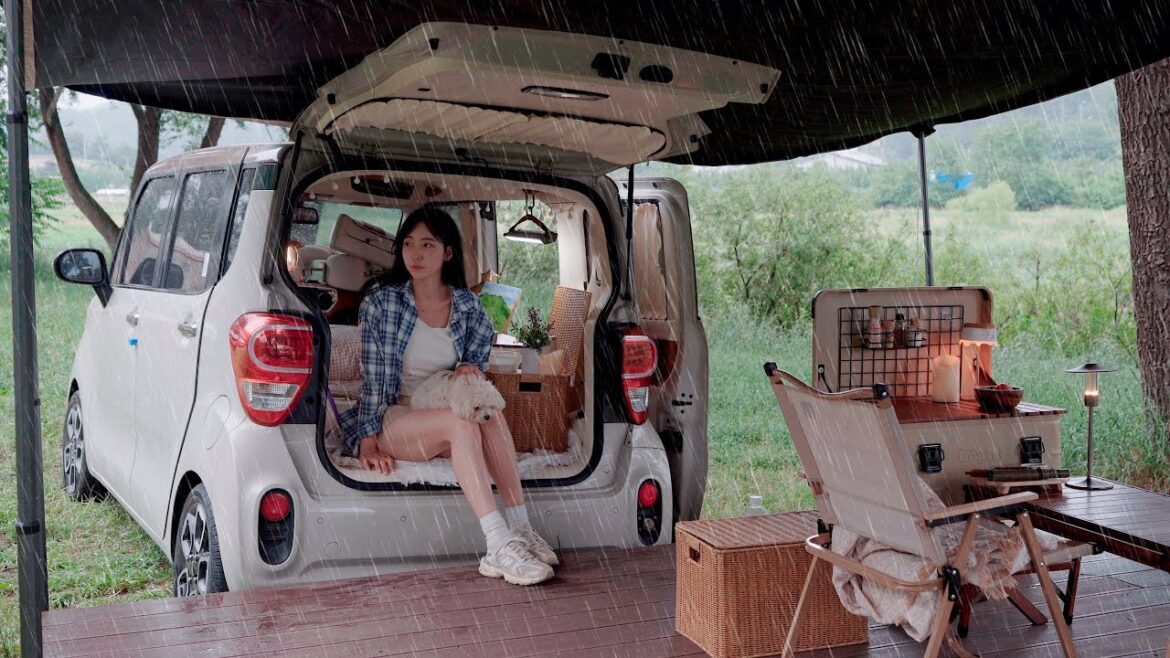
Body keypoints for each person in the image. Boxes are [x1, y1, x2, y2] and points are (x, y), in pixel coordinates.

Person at [338, 206, 557, 586]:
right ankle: (496, 543)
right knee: (462, 423)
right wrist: (367, 442)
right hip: (396, 417)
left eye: (427, 244)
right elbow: (373, 379)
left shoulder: (469, 307)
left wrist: (466, 370)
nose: (416, 254)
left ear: (448, 252)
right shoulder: (382, 303)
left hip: (438, 403)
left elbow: (476, 361)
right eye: (408, 244)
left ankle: (520, 527)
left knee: (486, 411)